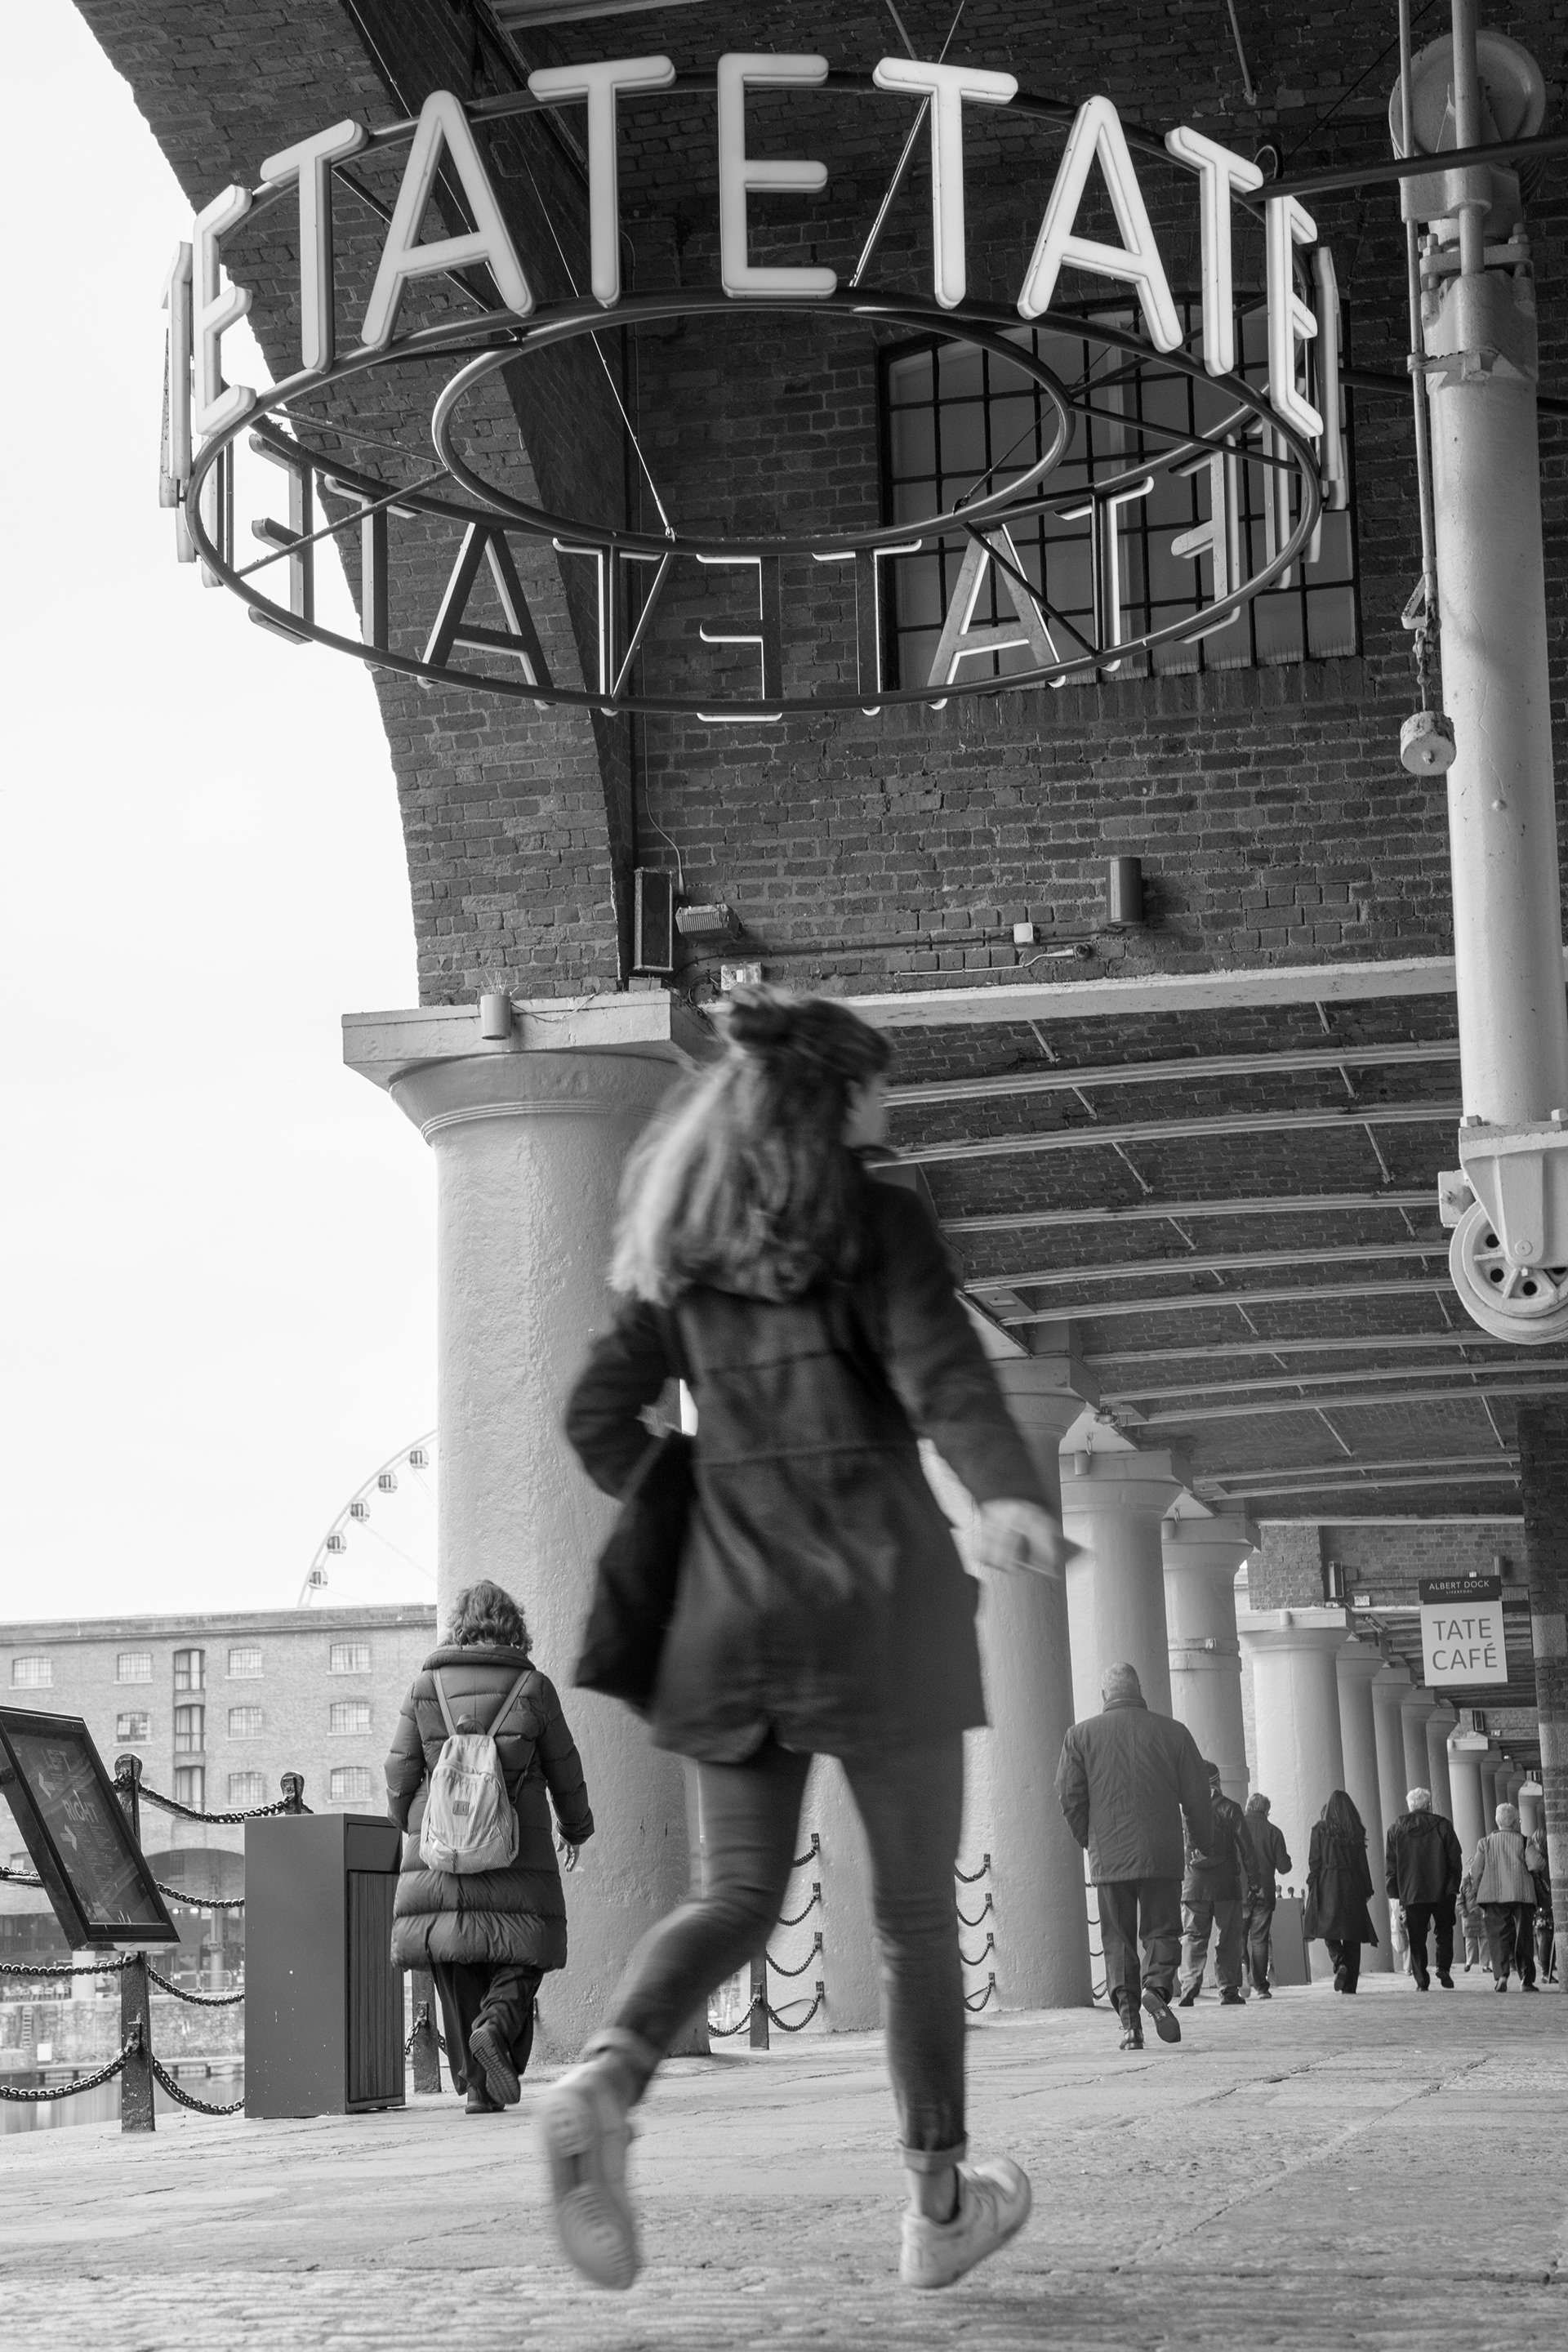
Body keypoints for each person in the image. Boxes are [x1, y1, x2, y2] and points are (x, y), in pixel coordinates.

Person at [554, 987, 1072, 2294]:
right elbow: (940, 1368)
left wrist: (706, 1492)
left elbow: (597, 1420)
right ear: (835, 1095)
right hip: (880, 1607)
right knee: (912, 1924)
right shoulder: (878, 1216)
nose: (891, 1107)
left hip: (730, 1621)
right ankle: (940, 2201)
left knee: (735, 1894)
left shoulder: (684, 1240)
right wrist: (1005, 1492)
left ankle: (610, 2076)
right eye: (879, 1087)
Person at [385, 1579, 595, 2112]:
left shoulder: (424, 1688)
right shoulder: (535, 1688)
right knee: (524, 1951)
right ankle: (496, 2027)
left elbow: (400, 1770)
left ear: (461, 1625)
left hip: (443, 1852)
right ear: (513, 1627)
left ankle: (478, 2087)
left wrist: (411, 1824)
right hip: (516, 1846)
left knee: (455, 1957)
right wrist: (576, 1828)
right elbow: (565, 1769)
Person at [1056, 1661, 1214, 2051]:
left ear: (1104, 1696)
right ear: (1140, 1690)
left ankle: (1130, 2025)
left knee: (1117, 1939)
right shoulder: (1174, 1733)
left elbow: (1069, 1798)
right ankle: (1157, 1990)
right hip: (1160, 1852)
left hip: (1110, 1856)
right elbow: (1197, 1796)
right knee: (1162, 1929)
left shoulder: (1079, 1737)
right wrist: (1203, 1841)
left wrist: (1090, 1840)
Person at [1178, 1762, 1255, 2007]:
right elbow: (1247, 1849)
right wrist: (1254, 1881)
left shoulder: (1185, 1810)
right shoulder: (1231, 1809)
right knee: (1229, 1938)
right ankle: (1228, 1990)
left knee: (1193, 1936)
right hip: (1225, 1886)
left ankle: (1189, 1984)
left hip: (1194, 1885)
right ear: (1218, 1782)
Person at [1384, 1787, 1463, 1990]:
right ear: (1429, 1805)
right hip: (1442, 1890)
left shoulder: (1395, 1830)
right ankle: (1443, 1967)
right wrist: (1453, 1887)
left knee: (1417, 1937)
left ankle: (1421, 1980)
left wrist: (1394, 1892)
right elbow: (1455, 1859)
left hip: (1411, 1892)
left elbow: (1391, 1865)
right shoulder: (1443, 1826)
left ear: (1410, 1806)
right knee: (1444, 1930)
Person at [1304, 1789, 1379, 1993]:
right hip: (1352, 1883)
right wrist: (1367, 1888)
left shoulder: (1320, 1830)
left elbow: (1314, 1861)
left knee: (1329, 1928)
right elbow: (1362, 1863)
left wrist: (1312, 1884)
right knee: (1352, 1935)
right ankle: (1350, 1986)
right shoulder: (1355, 1830)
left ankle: (1339, 1962)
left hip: (1328, 1882)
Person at [1469, 1802, 1539, 1991]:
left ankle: (1501, 1976)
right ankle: (1526, 1979)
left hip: (1493, 1894)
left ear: (1498, 1822)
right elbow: (1536, 1865)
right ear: (1516, 1821)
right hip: (1521, 1894)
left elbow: (1476, 1871)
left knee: (1498, 1935)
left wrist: (1477, 1892)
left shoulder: (1485, 1843)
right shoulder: (1525, 1841)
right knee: (1524, 1934)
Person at [1241, 1792, 1291, 1998]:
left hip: (1241, 1892)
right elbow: (1284, 1867)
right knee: (1259, 1940)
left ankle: (1240, 1979)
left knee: (1239, 1937)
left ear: (1248, 1807)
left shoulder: (1237, 1828)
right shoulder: (1274, 1832)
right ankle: (1262, 1987)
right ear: (1267, 1811)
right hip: (1264, 1892)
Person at [1454, 1868, 1484, 1973]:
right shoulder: (1465, 1882)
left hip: (1482, 1914)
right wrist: (1463, 1912)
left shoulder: (1483, 1880)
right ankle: (1469, 1963)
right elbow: (1459, 1899)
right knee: (1470, 1940)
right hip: (1469, 1915)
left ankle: (1485, 1965)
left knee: (1484, 1939)